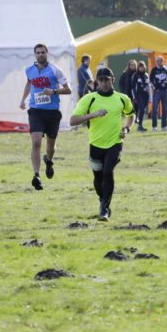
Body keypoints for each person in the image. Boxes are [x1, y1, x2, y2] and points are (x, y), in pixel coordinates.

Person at [70, 67, 134, 220]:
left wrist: (126, 128)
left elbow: (131, 115)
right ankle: (103, 199)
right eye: (101, 80)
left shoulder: (122, 98)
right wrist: (93, 114)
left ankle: (104, 209)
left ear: (113, 79)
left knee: (107, 172)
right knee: (98, 179)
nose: (104, 83)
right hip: (96, 144)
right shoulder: (89, 99)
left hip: (115, 143)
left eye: (107, 79)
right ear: (97, 82)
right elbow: (73, 121)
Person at [19, 43, 72, 190]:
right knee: (36, 142)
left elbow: (68, 90)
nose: (40, 54)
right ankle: (36, 175)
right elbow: (29, 83)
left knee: (50, 146)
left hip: (52, 112)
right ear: (34, 54)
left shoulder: (55, 70)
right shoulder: (29, 70)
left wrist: (54, 91)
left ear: (47, 53)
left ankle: (49, 161)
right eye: (38, 52)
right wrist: (23, 99)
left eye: (43, 52)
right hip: (35, 110)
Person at [149, 56, 167, 130]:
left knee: (165, 108)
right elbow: (151, 81)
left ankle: (164, 126)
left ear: (162, 61)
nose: (158, 62)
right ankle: (154, 126)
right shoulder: (154, 70)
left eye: (160, 61)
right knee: (155, 108)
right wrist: (155, 89)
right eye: (157, 61)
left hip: (165, 91)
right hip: (157, 92)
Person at [131, 61, 150, 132]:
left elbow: (148, 86)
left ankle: (140, 125)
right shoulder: (135, 75)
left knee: (143, 110)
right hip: (138, 95)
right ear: (138, 68)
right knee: (141, 109)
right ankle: (139, 125)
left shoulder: (146, 75)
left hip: (145, 95)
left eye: (142, 67)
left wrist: (150, 97)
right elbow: (133, 87)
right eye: (140, 67)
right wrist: (134, 97)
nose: (141, 68)